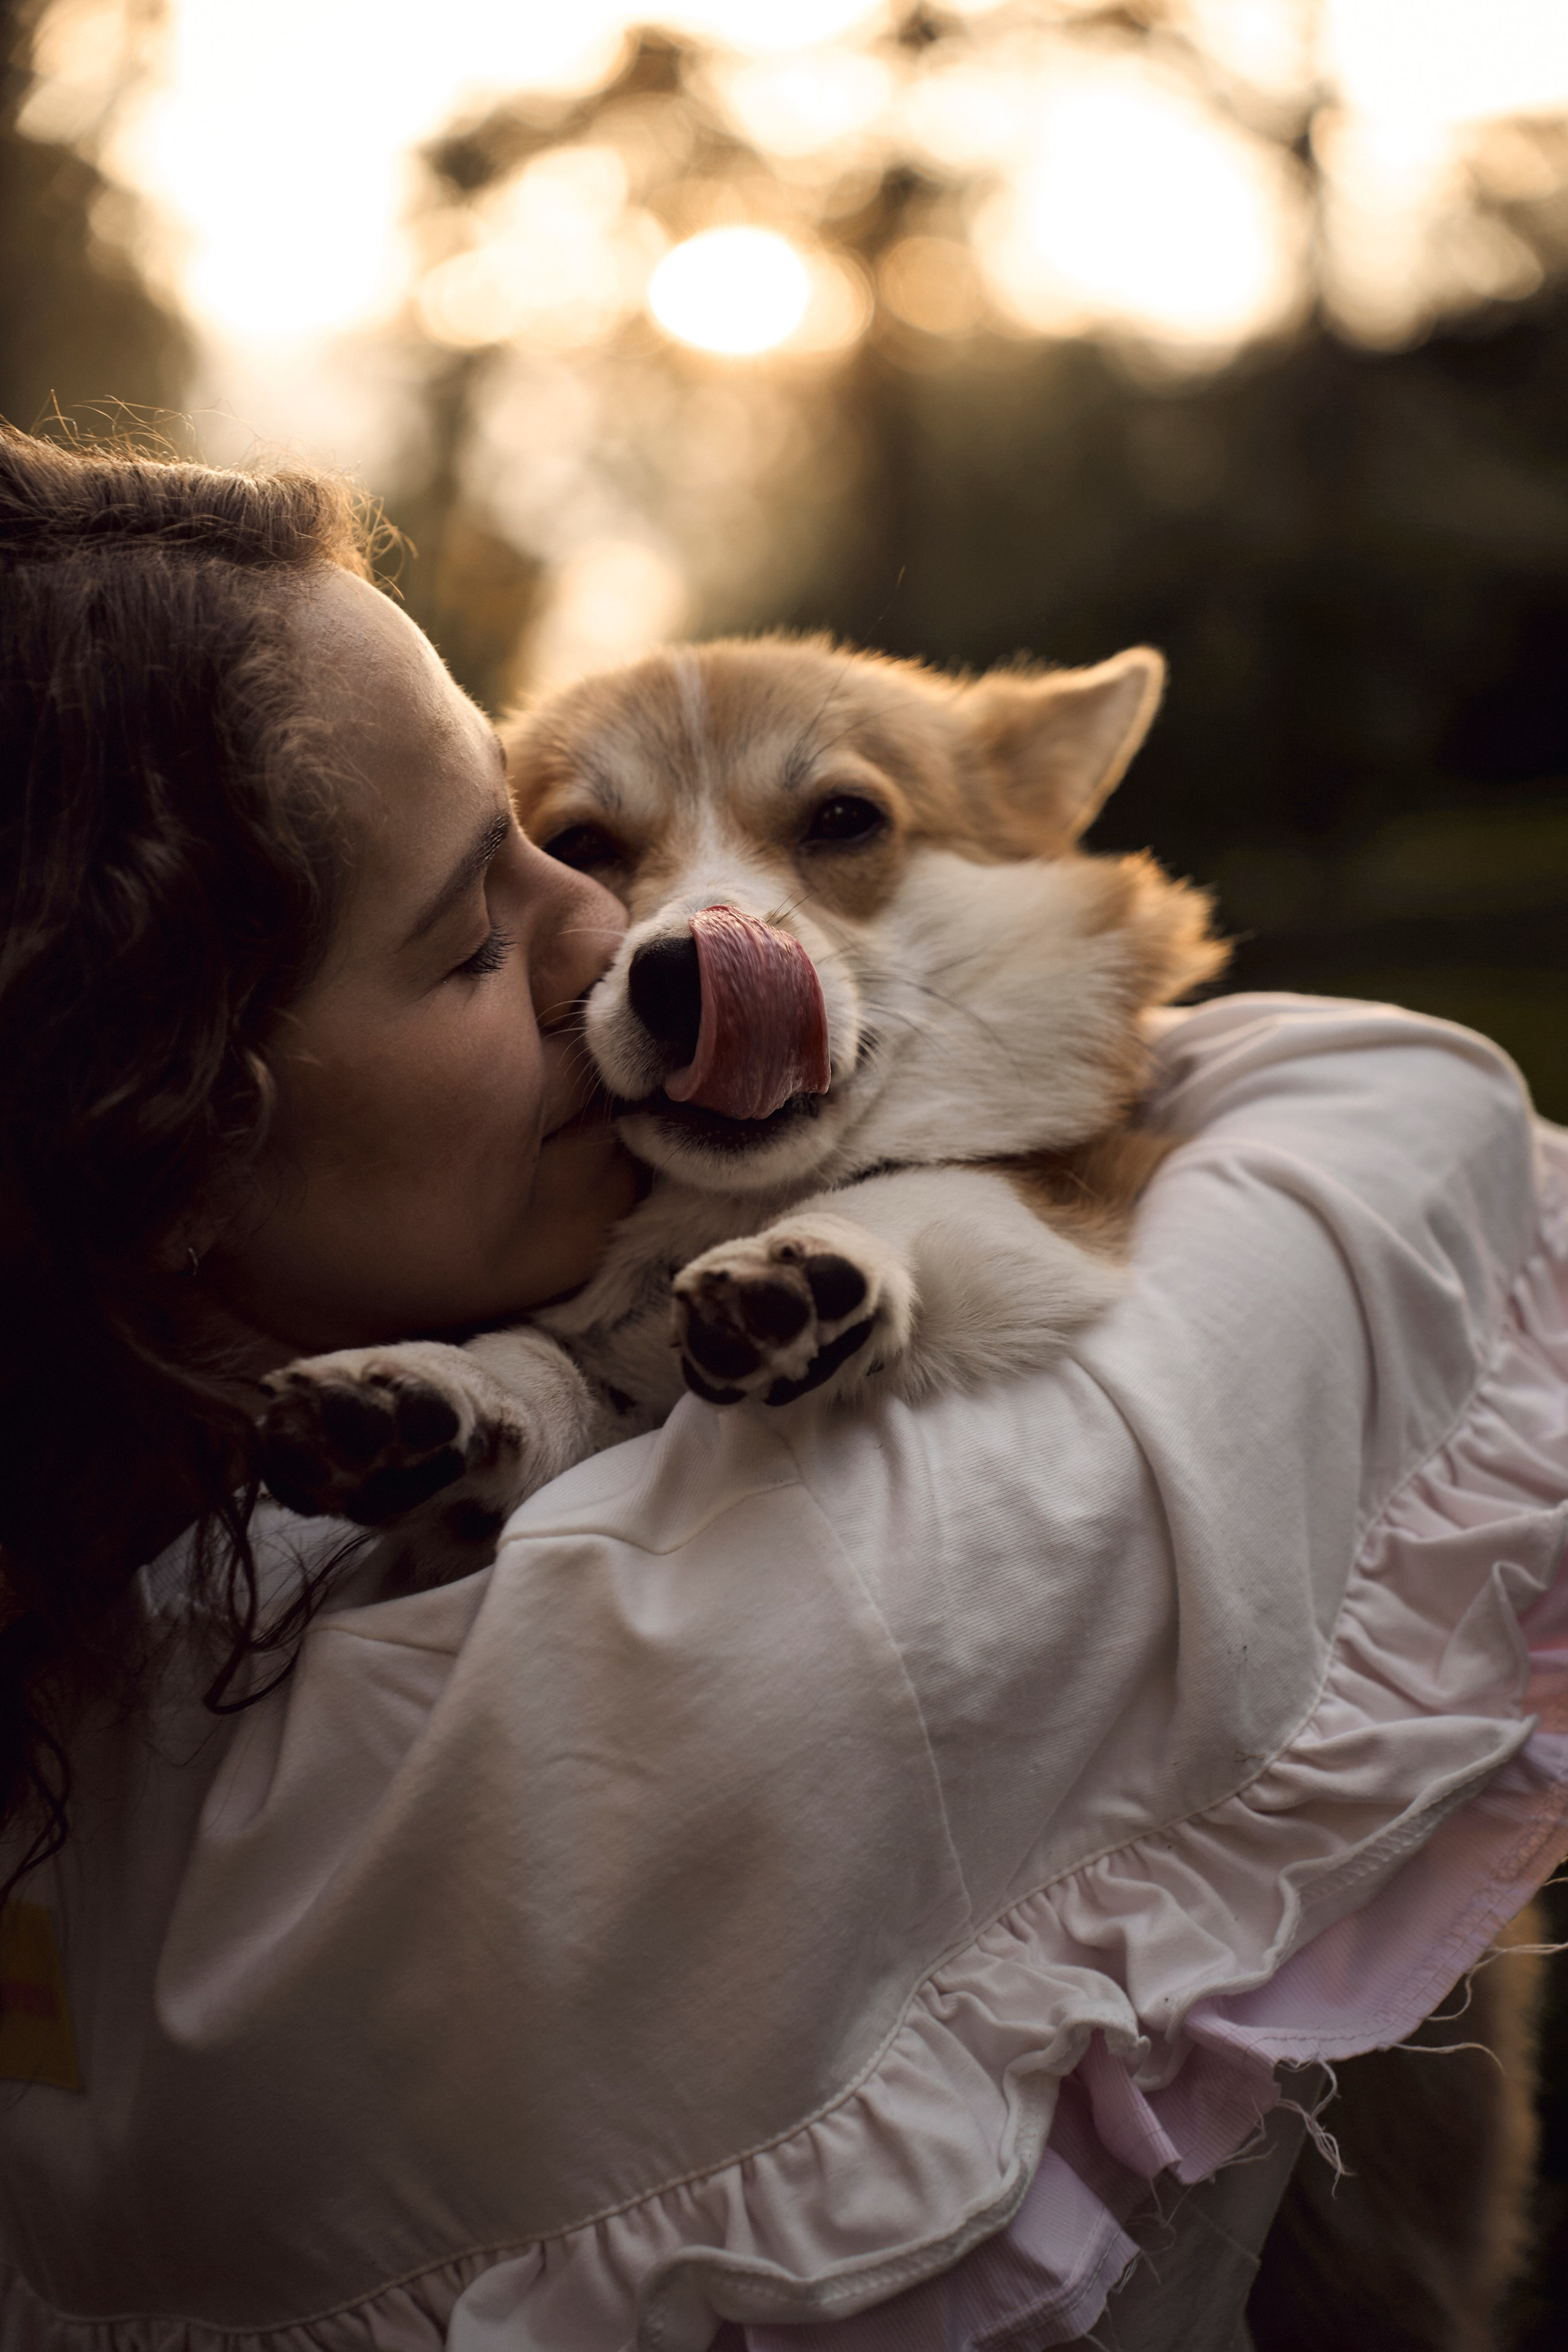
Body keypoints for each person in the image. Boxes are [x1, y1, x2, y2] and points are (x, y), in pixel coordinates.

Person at [1, 424, 1564, 2352]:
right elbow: (1414, 1130)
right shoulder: (778, 1630)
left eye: (831, 822)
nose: (634, 938)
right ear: (162, 1129)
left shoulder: (114, 1599)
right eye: (495, 916)